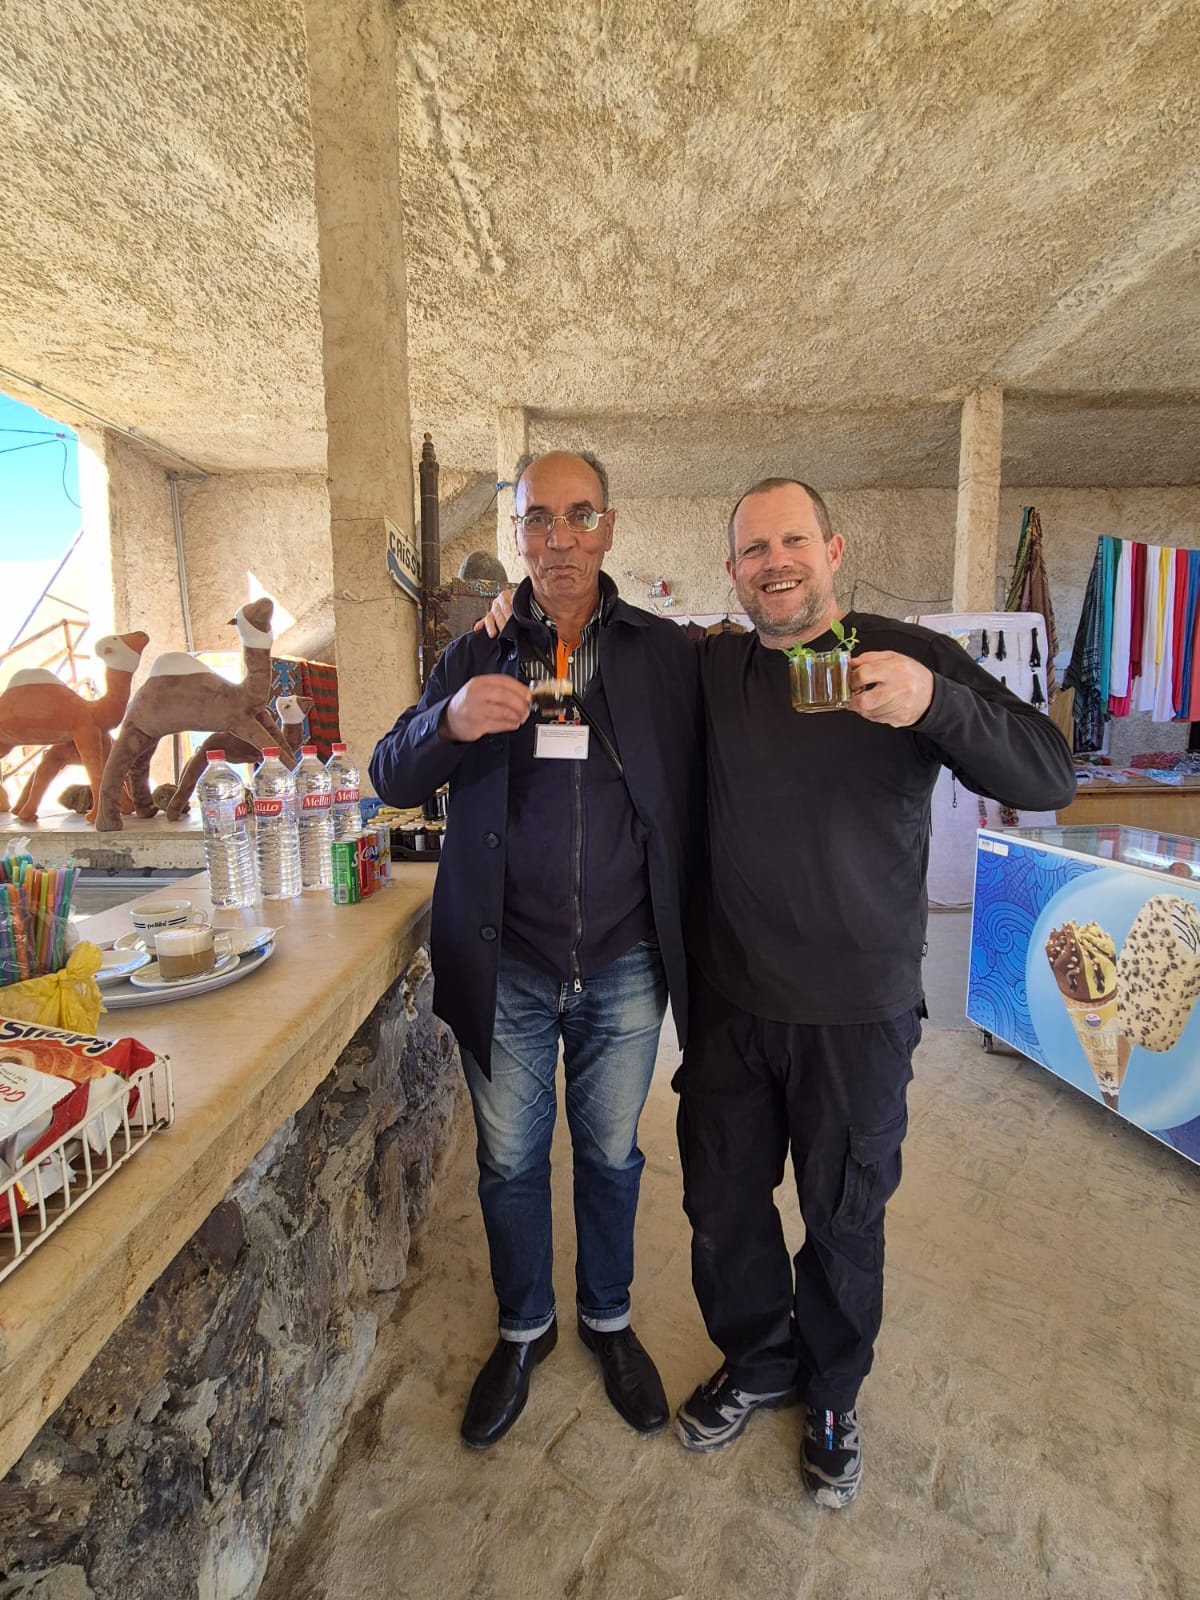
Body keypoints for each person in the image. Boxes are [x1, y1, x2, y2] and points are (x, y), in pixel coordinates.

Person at [672, 477, 1076, 1507]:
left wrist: (935, 702)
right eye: (755, 546)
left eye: (793, 539)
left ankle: (836, 1390)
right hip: (731, 1003)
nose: (776, 561)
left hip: (859, 1009)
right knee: (723, 1206)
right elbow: (611, 652)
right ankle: (762, 1358)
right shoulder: (716, 665)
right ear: (733, 570)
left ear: (834, 548)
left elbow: (1048, 773)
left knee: (845, 1216)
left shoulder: (907, 656)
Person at [369, 450, 703, 1449]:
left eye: (579, 515)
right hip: (504, 958)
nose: (559, 537)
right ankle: (526, 1327)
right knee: (511, 1164)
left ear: (609, 524)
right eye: (538, 519)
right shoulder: (474, 652)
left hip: (624, 961)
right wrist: (451, 721)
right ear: (518, 532)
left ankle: (607, 1317)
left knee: (610, 1155)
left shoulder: (658, 651)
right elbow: (389, 770)